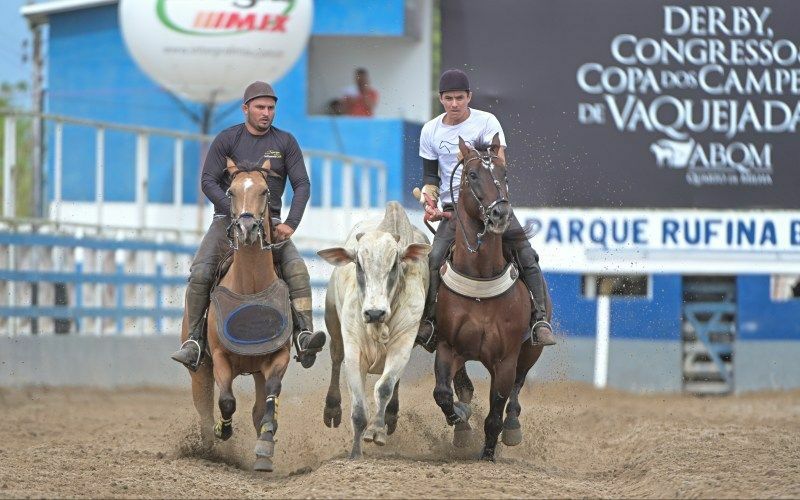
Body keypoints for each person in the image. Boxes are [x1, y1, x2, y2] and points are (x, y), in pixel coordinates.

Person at [171, 81, 327, 371]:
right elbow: (207, 181)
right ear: (245, 109)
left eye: (271, 108)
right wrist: (234, 211)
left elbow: (302, 185)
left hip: (271, 224)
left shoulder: (285, 142)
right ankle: (193, 341)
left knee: (297, 270)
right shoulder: (226, 140)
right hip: (226, 221)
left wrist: (291, 223)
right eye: (260, 107)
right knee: (201, 271)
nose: (266, 113)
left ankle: (304, 335)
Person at [414, 69, 556, 352]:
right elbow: (430, 177)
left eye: (460, 98)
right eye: (449, 98)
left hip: (493, 206)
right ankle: (428, 322)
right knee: (433, 258)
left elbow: (498, 162)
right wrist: (429, 198)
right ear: (441, 99)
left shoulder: (487, 122)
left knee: (526, 254)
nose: (454, 104)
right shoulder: (430, 130)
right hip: (456, 209)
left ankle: (540, 320)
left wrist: (471, 157)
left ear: (469, 97)